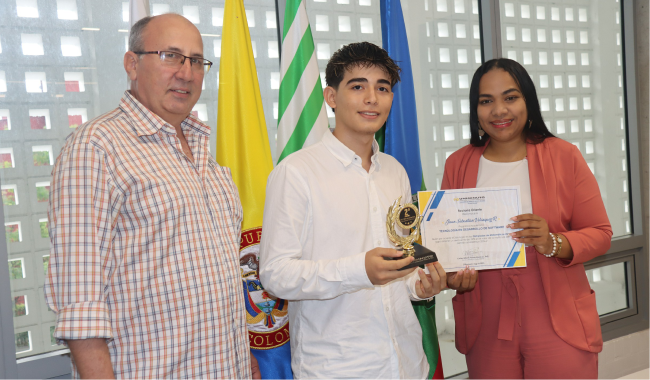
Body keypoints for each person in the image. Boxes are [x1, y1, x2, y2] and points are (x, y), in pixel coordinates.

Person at [44, 14, 259, 380]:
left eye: (195, 60)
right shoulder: (96, 148)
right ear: (132, 63)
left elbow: (218, 279)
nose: (186, 73)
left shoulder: (204, 153)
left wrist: (245, 359)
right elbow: (80, 305)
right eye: (170, 56)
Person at [259, 42, 448, 379]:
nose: (372, 98)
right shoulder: (296, 173)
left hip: (408, 363)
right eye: (358, 86)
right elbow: (276, 274)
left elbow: (401, 258)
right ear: (331, 97)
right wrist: (358, 269)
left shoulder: (395, 172)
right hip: (338, 368)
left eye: (382, 88)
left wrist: (418, 287)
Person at [443, 58, 612, 379]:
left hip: (556, 312)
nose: (499, 110)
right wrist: (454, 276)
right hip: (485, 317)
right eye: (486, 101)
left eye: (510, 97)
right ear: (475, 110)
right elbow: (450, 241)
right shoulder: (458, 164)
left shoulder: (564, 155)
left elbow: (601, 233)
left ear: (528, 102)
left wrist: (553, 242)